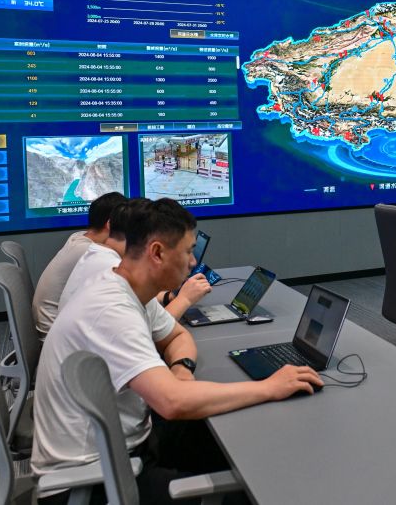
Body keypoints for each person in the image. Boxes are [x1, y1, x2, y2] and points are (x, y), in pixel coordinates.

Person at [31, 198, 322, 504]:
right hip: (91, 482)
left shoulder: (126, 287)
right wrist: (269, 387)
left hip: (125, 444)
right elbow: (171, 403)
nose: (193, 262)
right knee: (250, 492)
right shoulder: (112, 311)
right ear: (157, 253)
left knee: (241, 446)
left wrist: (181, 371)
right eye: (187, 252)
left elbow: (177, 336)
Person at [59, 197, 211, 320]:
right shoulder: (113, 270)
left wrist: (170, 297)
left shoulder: (100, 255)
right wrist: (184, 299)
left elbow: (165, 328)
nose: (193, 262)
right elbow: (155, 334)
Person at [32, 192, 127, 339]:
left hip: (53, 325)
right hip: (55, 334)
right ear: (110, 224)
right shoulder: (90, 252)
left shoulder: (79, 237)